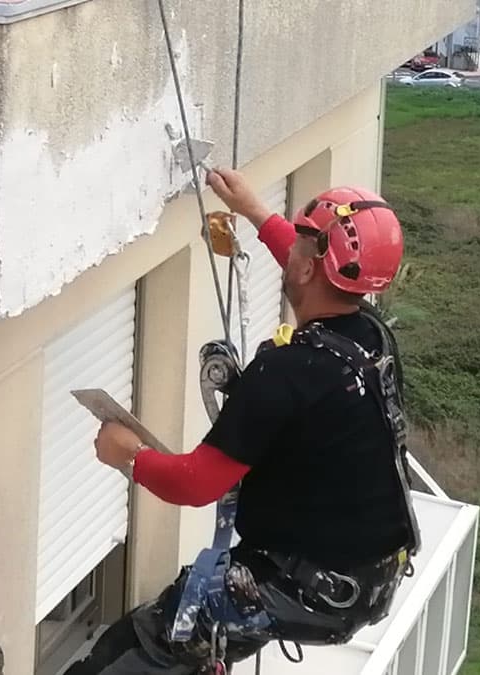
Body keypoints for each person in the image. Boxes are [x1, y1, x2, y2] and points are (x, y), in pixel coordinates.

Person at [64, 168, 420, 675]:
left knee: (148, 639)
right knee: (210, 627)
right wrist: (255, 210)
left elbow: (194, 483)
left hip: (306, 587)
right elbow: (307, 271)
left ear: (309, 268)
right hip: (366, 577)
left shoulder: (287, 373)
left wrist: (126, 454)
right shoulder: (368, 335)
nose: (290, 251)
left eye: (299, 242)